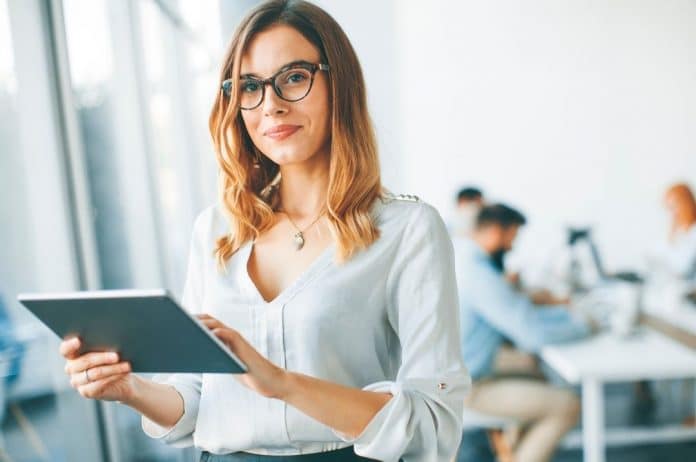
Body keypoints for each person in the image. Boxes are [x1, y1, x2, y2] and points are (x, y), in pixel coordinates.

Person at [58, 1, 468, 461]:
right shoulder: (217, 229)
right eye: (250, 86)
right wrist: (130, 389)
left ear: (341, 84)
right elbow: (197, 400)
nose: (270, 105)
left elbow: (433, 422)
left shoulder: (406, 230)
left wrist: (281, 383)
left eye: (294, 77)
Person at [454, 204, 592, 462]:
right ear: (496, 231)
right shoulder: (479, 274)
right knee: (568, 405)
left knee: (537, 373)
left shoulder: (466, 258)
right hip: (468, 390)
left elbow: (519, 314)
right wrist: (584, 325)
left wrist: (559, 313)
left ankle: (512, 452)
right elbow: (532, 335)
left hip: (460, 375)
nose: (513, 246)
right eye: (512, 236)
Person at [656, 183, 696, 278]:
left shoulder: (693, 231)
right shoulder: (677, 232)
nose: (673, 212)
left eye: (675, 206)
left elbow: (684, 266)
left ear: (686, 203)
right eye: (669, 207)